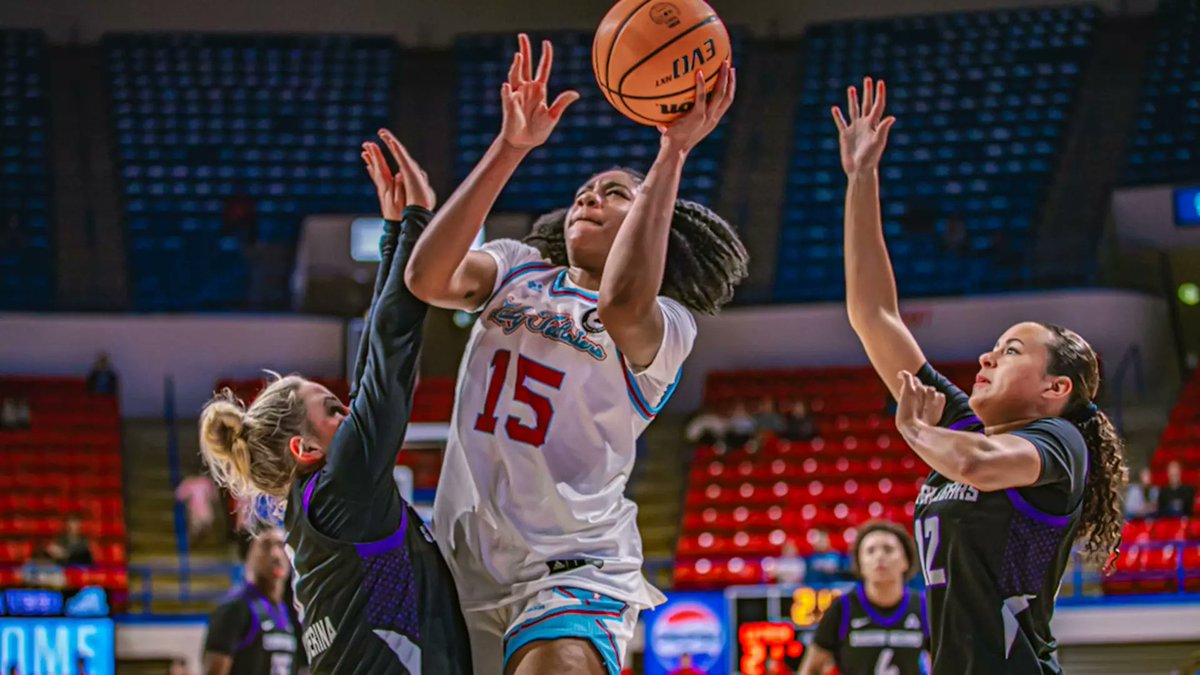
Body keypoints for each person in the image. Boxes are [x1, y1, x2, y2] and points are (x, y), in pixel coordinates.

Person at [404, 35, 746, 675]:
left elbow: (619, 304)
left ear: (654, 217)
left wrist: (671, 152)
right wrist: (512, 148)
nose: (591, 197)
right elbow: (426, 279)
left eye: (617, 193)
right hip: (465, 565)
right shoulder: (517, 267)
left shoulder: (668, 323)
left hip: (576, 562)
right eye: (587, 191)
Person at [834, 76, 1127, 673]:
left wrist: (917, 432)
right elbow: (874, 314)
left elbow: (976, 466)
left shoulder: (1060, 443)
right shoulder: (965, 425)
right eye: (995, 348)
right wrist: (861, 179)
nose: (987, 358)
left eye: (1011, 350)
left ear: (1056, 388)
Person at [198, 131, 471, 674]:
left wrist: (396, 234)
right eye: (331, 409)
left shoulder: (321, 503)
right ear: (304, 447)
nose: (347, 409)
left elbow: (372, 361)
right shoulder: (342, 488)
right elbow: (389, 354)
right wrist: (413, 221)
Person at [800, 521, 928, 675]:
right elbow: (810, 669)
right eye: (870, 551)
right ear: (859, 563)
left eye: (888, 549)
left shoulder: (924, 607)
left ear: (906, 560)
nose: (879, 556)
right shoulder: (841, 609)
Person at [203, 528, 305, 675]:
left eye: (282, 546)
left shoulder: (290, 611)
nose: (276, 555)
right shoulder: (235, 608)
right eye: (266, 545)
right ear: (249, 554)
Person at [177, 474, 219, 545]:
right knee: (200, 524)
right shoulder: (205, 482)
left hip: (197, 508)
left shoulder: (189, 482)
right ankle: (196, 538)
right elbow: (214, 496)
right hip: (200, 508)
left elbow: (179, 495)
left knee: (199, 525)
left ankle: (196, 538)